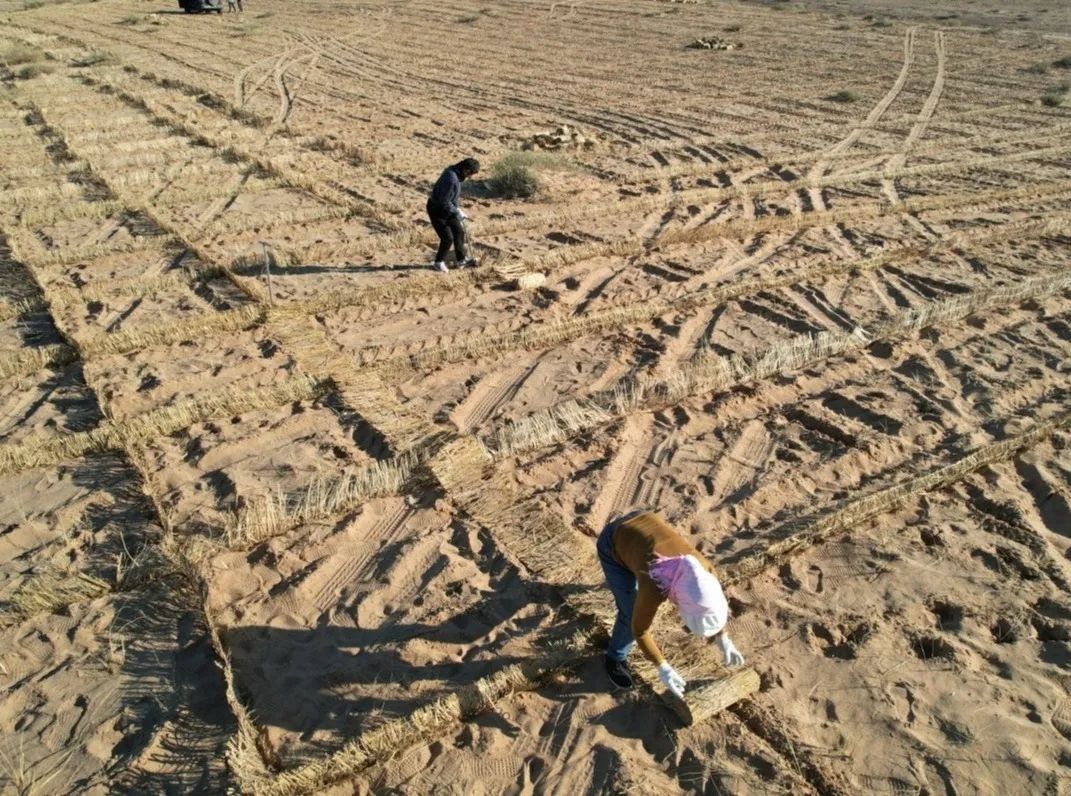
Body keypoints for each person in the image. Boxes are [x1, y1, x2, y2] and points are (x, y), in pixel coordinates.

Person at [596, 509, 745, 697]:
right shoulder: (654, 585)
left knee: (637, 571)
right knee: (630, 610)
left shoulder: (705, 571)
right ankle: (615, 658)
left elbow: (709, 604)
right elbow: (639, 630)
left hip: (644, 525)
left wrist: (723, 637)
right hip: (613, 542)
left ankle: (632, 561)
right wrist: (662, 666)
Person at [427, 158, 480, 272]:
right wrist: (456, 211)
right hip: (437, 209)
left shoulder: (454, 171)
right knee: (447, 238)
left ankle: (461, 260)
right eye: (470, 174)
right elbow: (444, 202)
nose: (470, 177)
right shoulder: (451, 179)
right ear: (466, 170)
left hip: (447, 208)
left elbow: (451, 197)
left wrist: (457, 209)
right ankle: (438, 262)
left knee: (459, 232)